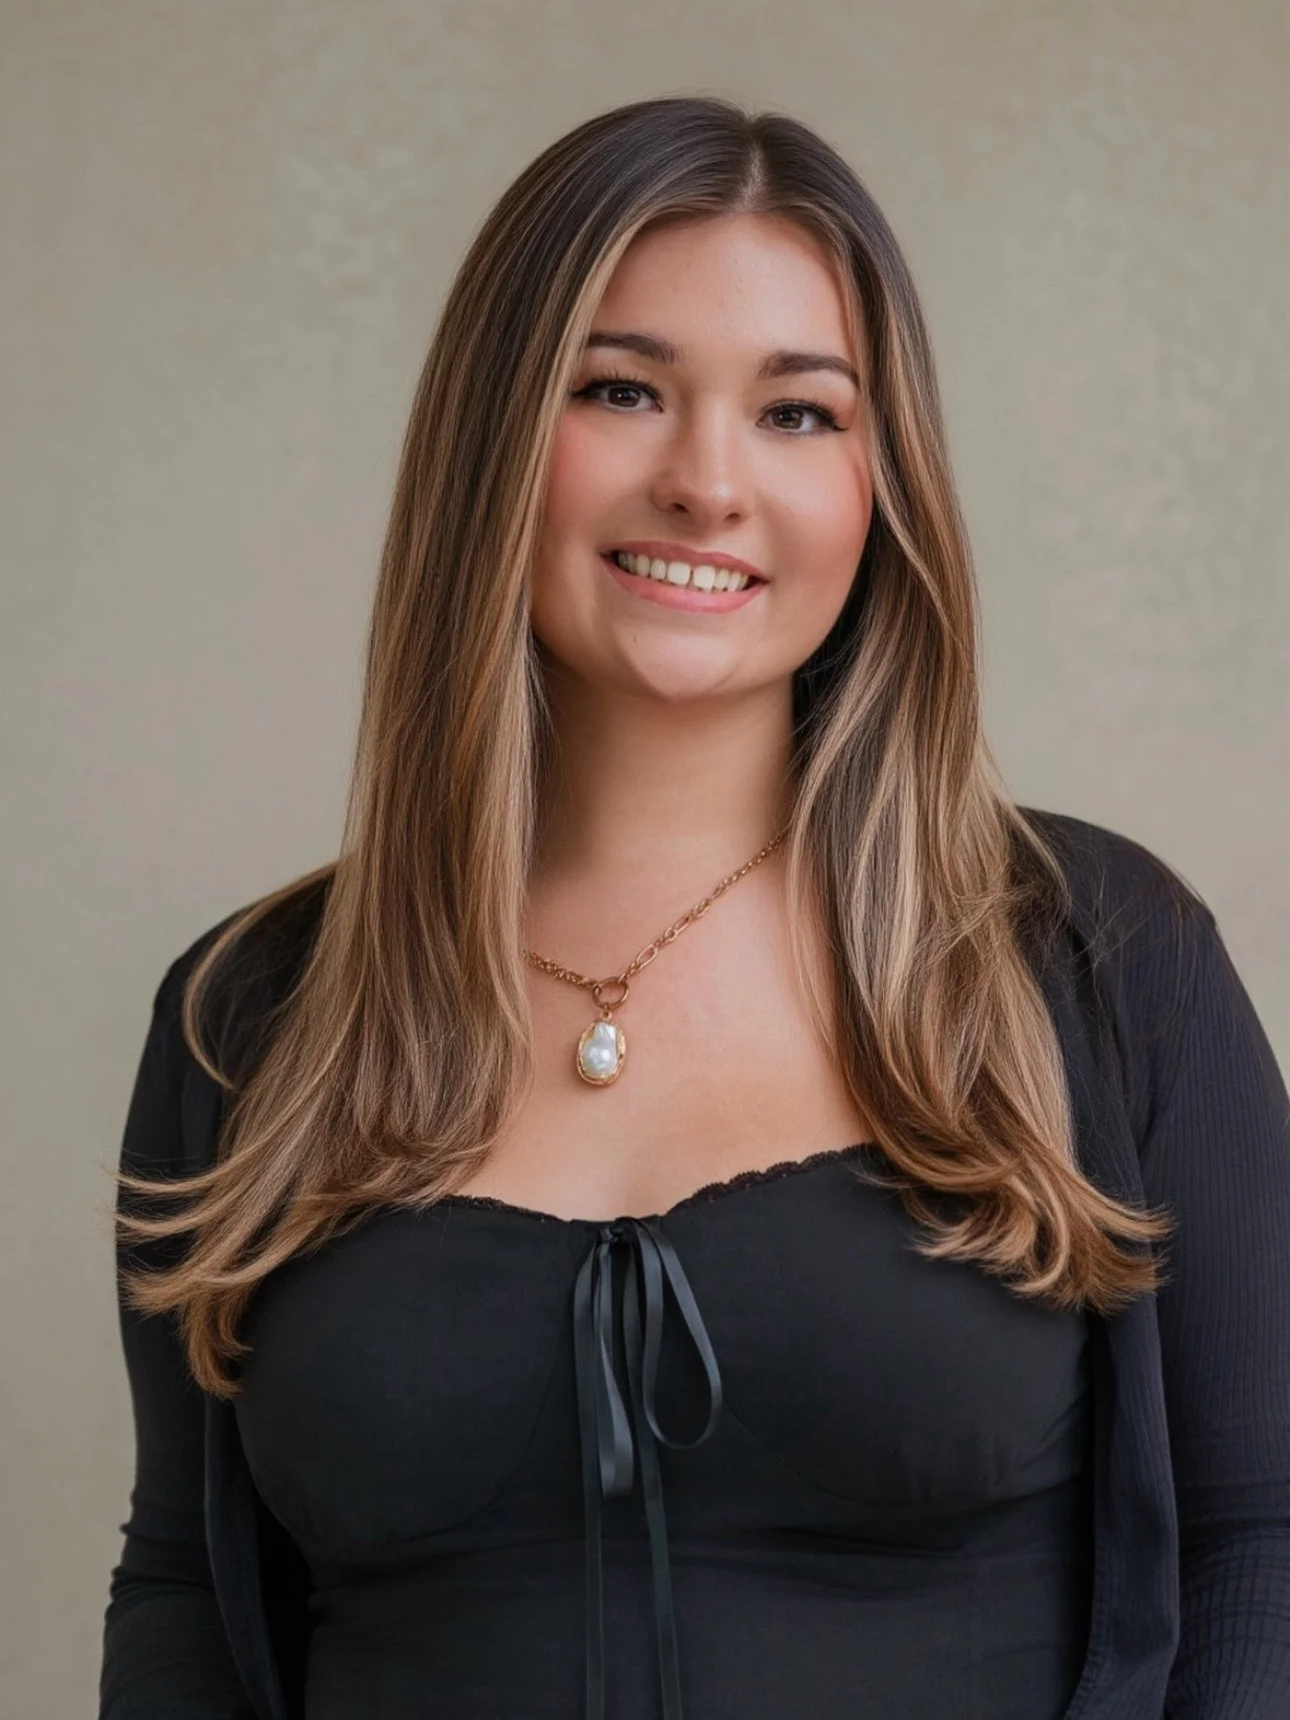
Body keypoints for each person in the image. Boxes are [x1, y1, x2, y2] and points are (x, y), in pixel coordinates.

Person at [99, 96, 1290, 1720]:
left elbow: (1260, 1540)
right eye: (620, 389)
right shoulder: (245, 1019)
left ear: (881, 482)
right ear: (493, 441)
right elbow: (185, 1587)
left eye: (798, 412)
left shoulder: (1096, 953)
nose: (706, 481)